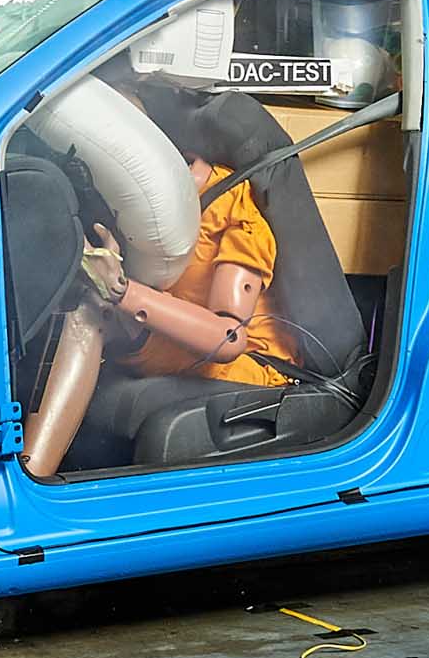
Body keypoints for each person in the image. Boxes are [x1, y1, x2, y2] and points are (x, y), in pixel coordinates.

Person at [22, 84, 291, 478]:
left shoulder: (231, 203)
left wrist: (121, 290)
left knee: (90, 311)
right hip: (167, 343)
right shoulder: (119, 202)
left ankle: (31, 476)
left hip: (247, 368)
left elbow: (230, 338)